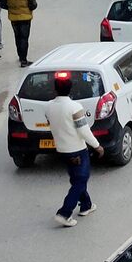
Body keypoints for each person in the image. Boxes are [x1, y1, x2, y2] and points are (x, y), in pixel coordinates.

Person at [45, 73, 103, 227]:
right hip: (77, 150)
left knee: (76, 179)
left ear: (55, 90)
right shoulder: (74, 107)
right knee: (80, 181)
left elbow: (50, 123)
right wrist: (97, 146)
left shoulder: (48, 106)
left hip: (61, 149)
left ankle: (86, 205)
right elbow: (83, 130)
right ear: (70, 90)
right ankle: (64, 213)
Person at [5, 0, 38, 67]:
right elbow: (34, 5)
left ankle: (20, 56)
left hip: (13, 18)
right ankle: (24, 60)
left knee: (17, 37)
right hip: (25, 18)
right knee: (24, 38)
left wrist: (11, 8)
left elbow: (3, 4)